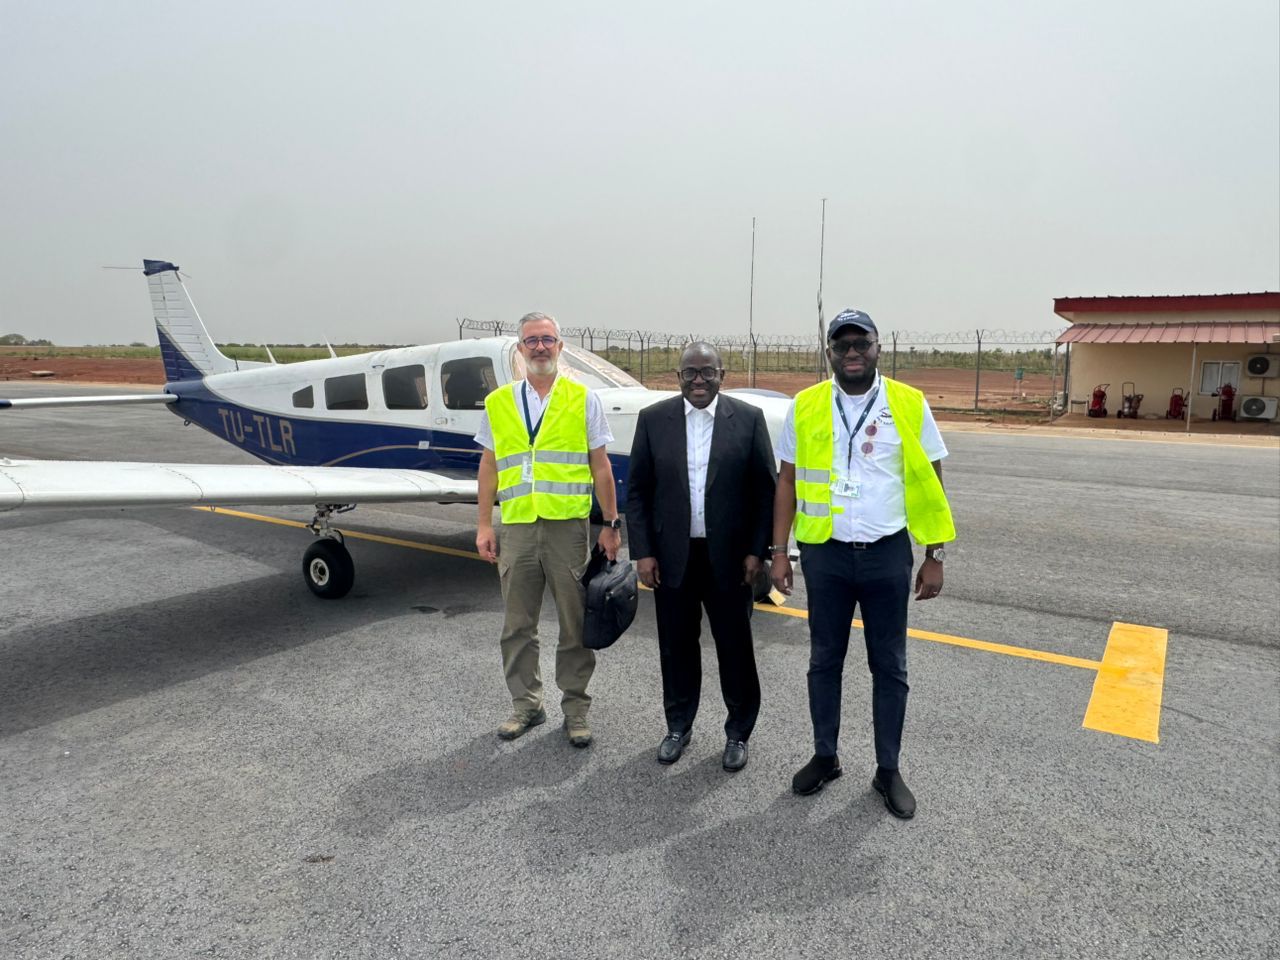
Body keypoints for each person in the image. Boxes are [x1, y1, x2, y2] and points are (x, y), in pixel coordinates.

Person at [770, 308, 955, 818]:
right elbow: (786, 481)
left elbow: (931, 482)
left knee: (889, 665)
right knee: (823, 661)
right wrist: (778, 552)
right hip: (825, 554)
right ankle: (826, 757)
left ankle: (888, 770)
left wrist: (934, 555)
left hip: (887, 555)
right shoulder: (805, 405)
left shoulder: (909, 403)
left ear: (878, 347)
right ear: (829, 351)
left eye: (861, 343)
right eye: (841, 344)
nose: (852, 352)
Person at [626, 342, 776, 771]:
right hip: (672, 558)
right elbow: (637, 492)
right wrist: (644, 552)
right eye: (690, 372)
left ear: (721, 375)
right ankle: (678, 725)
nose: (698, 380)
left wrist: (757, 551)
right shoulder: (654, 421)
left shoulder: (747, 420)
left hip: (730, 560)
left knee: (735, 647)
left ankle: (738, 732)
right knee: (676, 648)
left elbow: (766, 492)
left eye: (706, 373)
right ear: (677, 376)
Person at [475, 312, 622, 748]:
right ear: (520, 349)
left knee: (575, 624)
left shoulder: (583, 399)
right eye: (531, 341)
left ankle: (575, 709)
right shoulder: (498, 403)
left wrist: (610, 524)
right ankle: (527, 705)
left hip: (568, 529)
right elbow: (488, 466)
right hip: (517, 528)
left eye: (548, 339)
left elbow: (601, 466)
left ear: (560, 346)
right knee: (517, 625)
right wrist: (484, 523)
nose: (540, 347)